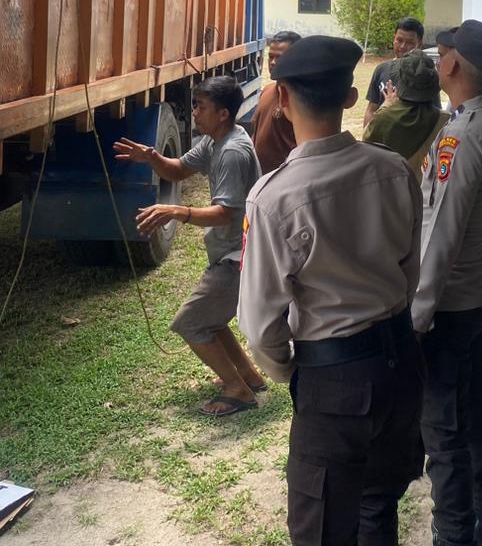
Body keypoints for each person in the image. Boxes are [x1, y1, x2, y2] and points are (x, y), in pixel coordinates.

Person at [239, 35, 425, 546]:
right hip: (400, 364)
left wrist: (294, 372)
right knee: (378, 506)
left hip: (334, 380)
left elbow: (258, 323)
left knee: (322, 528)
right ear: (350, 96)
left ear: (281, 97)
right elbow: (410, 272)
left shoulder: (274, 198)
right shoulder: (392, 169)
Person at [415, 20, 482, 546]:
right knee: (478, 417)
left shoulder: (463, 135)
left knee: (445, 433)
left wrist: (416, 318)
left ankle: (455, 535)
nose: (438, 63)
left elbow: (440, 234)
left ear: (453, 64)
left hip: (452, 307)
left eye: (442, 55)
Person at [113, 75, 265, 418]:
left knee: (191, 322)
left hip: (240, 255)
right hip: (232, 251)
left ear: (223, 113)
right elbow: (178, 170)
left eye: (201, 107)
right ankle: (249, 377)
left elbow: (224, 214)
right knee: (210, 319)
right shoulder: (216, 140)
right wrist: (151, 156)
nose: (194, 112)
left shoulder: (232, 152)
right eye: (195, 105)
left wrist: (177, 211)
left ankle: (238, 391)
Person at [363, 50, 449, 172]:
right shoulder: (446, 120)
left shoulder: (383, 119)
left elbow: (366, 142)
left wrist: (386, 105)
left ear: (399, 83)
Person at [364, 17, 437, 127]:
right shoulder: (381, 69)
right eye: (399, 40)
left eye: (410, 43)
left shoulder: (426, 75)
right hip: (381, 133)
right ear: (394, 38)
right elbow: (371, 109)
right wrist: (366, 133)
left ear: (419, 44)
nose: (402, 46)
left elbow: (435, 113)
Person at [253, 30, 300, 173]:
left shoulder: (301, 100)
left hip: (284, 179)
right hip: (259, 179)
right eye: (271, 57)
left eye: (279, 58)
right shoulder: (267, 91)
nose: (273, 62)